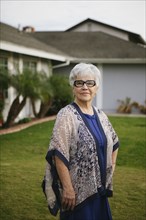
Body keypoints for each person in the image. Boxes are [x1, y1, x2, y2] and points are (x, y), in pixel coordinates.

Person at [43, 63, 119, 220]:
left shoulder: (101, 115)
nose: (85, 87)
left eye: (90, 82)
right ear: (73, 87)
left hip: (99, 192)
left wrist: (110, 169)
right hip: (77, 196)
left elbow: (114, 142)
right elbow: (59, 154)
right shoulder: (66, 116)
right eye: (79, 83)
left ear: (96, 87)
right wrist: (68, 188)